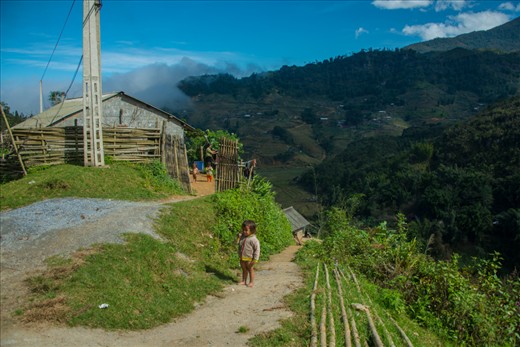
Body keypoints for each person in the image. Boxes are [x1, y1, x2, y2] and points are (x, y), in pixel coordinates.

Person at [237, 220, 260, 287]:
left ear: (252, 230)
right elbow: (238, 243)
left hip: (250, 258)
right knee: (244, 269)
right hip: (242, 257)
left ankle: (251, 282)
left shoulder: (254, 240)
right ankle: (243, 281)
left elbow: (257, 250)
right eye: (243, 230)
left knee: (250, 269)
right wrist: (238, 237)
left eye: (246, 230)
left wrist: (255, 259)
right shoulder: (242, 237)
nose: (244, 231)